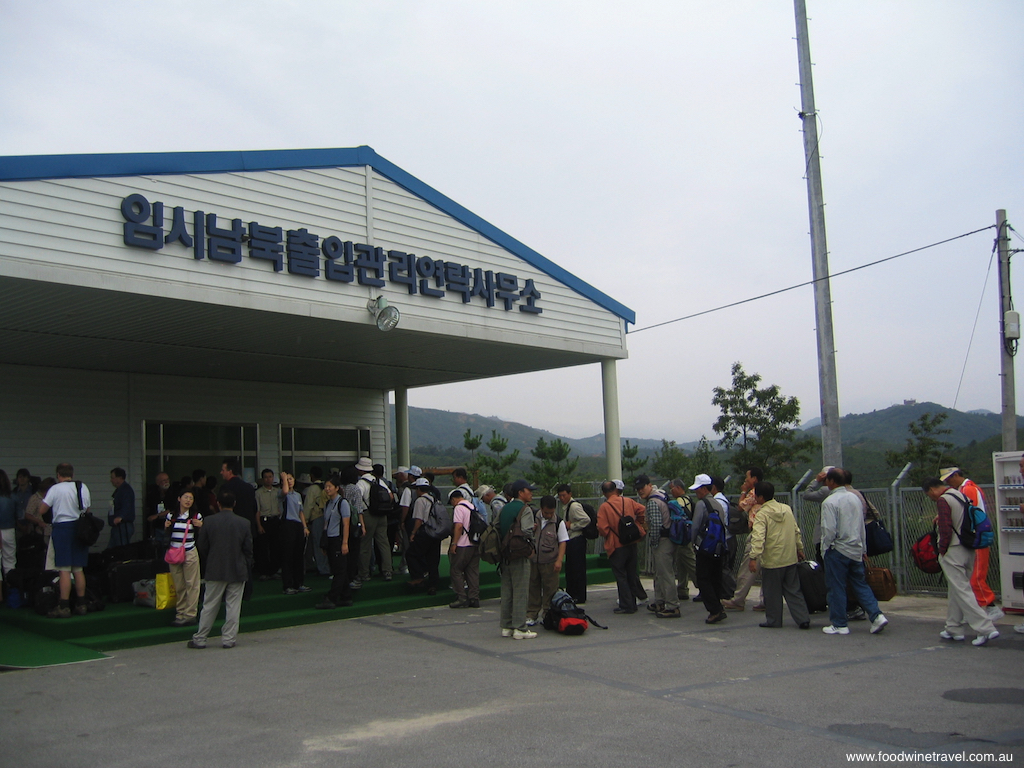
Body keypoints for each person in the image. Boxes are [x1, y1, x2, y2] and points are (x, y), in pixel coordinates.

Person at [923, 476, 999, 646]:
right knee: (956, 590)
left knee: (963, 591)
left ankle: (985, 628)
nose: (932, 497)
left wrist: (942, 550)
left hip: (953, 550)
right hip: (969, 547)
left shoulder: (943, 500)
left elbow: (945, 528)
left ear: (932, 490)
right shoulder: (961, 495)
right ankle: (953, 627)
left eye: (930, 495)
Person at [819, 468, 887, 636]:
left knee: (836, 587)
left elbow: (828, 529)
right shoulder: (856, 498)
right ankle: (876, 615)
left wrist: (825, 548)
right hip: (856, 548)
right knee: (860, 584)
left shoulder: (830, 502)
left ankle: (839, 623)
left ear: (832, 482)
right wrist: (863, 548)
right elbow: (861, 525)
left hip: (838, 549)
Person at [188, 491, 253, 649]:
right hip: (237, 568)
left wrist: (211, 558)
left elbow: (202, 545)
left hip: (215, 567)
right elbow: (248, 549)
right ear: (234, 504)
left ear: (218, 503)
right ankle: (229, 639)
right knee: (233, 605)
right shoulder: (244, 523)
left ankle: (201, 638)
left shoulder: (209, 521)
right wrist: (246, 564)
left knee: (209, 604)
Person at [940, 467, 1002, 622]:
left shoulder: (968, 489)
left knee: (975, 577)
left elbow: (966, 512)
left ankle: (990, 606)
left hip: (974, 537)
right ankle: (974, 610)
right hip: (973, 537)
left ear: (956, 476)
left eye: (949, 479)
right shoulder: (967, 488)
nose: (948, 483)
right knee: (969, 578)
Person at [747, 481, 810, 629]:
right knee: (794, 590)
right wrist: (799, 548)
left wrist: (753, 557)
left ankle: (774, 620)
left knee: (772, 592)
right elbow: (796, 531)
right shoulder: (786, 509)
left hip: (772, 560)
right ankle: (803, 618)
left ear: (761, 497)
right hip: (789, 558)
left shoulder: (762, 514)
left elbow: (758, 537)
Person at [38, 463, 92, 618]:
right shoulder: (82, 487)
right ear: (72, 474)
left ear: (58, 475)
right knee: (78, 568)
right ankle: (81, 604)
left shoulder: (55, 489)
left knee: (64, 569)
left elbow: (42, 510)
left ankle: (64, 605)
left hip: (62, 528)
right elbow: (87, 509)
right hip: (80, 528)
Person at [596, 479, 647, 615]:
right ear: (615, 490)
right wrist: (638, 523)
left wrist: (608, 533)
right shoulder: (628, 501)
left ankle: (626, 604)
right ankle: (633, 601)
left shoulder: (605, 507)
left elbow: (602, 528)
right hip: (631, 542)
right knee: (631, 573)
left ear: (604, 493)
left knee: (620, 575)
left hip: (616, 545)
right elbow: (642, 510)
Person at [499, 479, 538, 638]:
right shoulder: (525, 509)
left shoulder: (505, 508)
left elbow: (496, 527)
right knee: (521, 591)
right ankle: (520, 628)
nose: (531, 493)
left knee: (507, 590)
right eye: (528, 490)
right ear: (520, 492)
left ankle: (506, 626)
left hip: (505, 553)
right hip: (519, 553)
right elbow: (527, 532)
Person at [635, 474, 679, 618]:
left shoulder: (653, 502)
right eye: (638, 489)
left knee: (665, 575)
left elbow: (655, 526)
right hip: (669, 539)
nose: (640, 491)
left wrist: (653, 543)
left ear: (649, 485)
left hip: (662, 541)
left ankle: (672, 606)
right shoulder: (661, 494)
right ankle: (660, 601)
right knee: (660, 574)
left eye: (642, 487)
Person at [723, 467, 765, 611]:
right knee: (766, 568)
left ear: (754, 479)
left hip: (756, 533)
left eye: (748, 477)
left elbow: (741, 507)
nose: (746, 480)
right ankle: (765, 600)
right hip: (767, 534)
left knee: (747, 568)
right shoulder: (763, 492)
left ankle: (738, 600)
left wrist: (742, 492)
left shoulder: (754, 493)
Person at [690, 473, 728, 624]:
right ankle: (719, 606)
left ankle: (714, 610)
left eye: (697, 489)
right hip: (718, 547)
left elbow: (695, 526)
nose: (696, 492)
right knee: (715, 578)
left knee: (703, 578)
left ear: (703, 489)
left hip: (705, 547)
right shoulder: (718, 504)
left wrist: (693, 543)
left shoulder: (701, 504)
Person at [164, 486, 204, 627]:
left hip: (190, 551)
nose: (188, 500)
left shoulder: (196, 516)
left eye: (191, 498)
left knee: (192, 584)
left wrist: (201, 526)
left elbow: (203, 534)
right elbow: (168, 534)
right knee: (179, 585)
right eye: (186, 497)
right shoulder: (171, 515)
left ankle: (190, 614)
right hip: (174, 553)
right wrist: (166, 526)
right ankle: (180, 613)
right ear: (179, 499)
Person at [526, 494, 568, 625]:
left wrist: (559, 560)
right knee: (533, 588)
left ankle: (548, 614)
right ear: (541, 509)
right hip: (533, 560)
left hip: (550, 561)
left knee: (550, 589)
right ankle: (532, 614)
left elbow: (563, 541)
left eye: (551, 512)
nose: (548, 515)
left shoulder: (558, 522)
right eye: (546, 512)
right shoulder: (532, 518)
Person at [315, 474, 354, 610]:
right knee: (336, 567)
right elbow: (326, 524)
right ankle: (346, 596)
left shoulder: (342, 503)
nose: (327, 489)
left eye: (330, 487)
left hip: (338, 539)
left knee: (339, 570)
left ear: (337, 488)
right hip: (330, 539)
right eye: (326, 487)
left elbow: (346, 524)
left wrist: (344, 542)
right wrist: (323, 542)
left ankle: (332, 597)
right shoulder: (328, 503)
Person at [356, 456, 394, 584]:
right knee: (384, 543)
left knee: (365, 545)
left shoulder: (361, 483)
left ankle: (364, 573)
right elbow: (390, 496)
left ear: (361, 470)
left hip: (368, 514)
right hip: (382, 515)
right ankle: (387, 571)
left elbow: (357, 500)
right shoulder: (379, 481)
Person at [406, 478, 442, 595]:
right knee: (433, 560)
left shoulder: (420, 501)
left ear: (419, 489)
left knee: (411, 554)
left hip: (424, 532)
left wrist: (413, 533)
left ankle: (418, 577)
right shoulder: (434, 499)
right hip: (435, 533)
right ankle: (433, 585)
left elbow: (419, 519)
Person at [556, 483, 590, 604]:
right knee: (571, 569)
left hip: (577, 539)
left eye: (564, 495)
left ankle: (579, 595)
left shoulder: (574, 506)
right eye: (560, 496)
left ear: (569, 494)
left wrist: (573, 526)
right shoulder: (566, 506)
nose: (561, 498)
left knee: (577, 569)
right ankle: (572, 593)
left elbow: (586, 519)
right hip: (571, 540)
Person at [278, 471, 310, 594]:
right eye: (287, 479)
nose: (289, 481)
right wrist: (284, 478)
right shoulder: (281, 493)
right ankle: (288, 585)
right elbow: (285, 491)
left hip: (297, 525)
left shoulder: (297, 495)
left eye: (291, 478)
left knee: (298, 555)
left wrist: (305, 527)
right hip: (287, 524)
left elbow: (300, 511)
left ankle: (299, 583)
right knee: (288, 555)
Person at [448, 488, 480, 609]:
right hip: (474, 543)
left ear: (454, 499)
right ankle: (474, 598)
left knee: (456, 570)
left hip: (463, 544)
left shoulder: (459, 508)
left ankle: (461, 597)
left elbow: (459, 526)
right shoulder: (472, 507)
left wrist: (454, 543)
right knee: (472, 572)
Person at [667, 478, 696, 601]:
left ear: (678, 488)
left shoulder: (680, 501)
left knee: (690, 563)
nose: (671, 491)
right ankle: (682, 588)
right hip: (687, 536)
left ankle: (704, 586)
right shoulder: (689, 499)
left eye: (672, 488)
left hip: (682, 537)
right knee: (681, 563)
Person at [254, 468, 283, 578]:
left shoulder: (277, 492)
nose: (268, 479)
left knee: (275, 547)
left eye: (270, 477)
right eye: (266, 477)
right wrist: (259, 525)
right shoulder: (258, 493)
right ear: (263, 479)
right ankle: (264, 572)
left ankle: (274, 570)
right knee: (263, 548)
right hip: (264, 521)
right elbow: (257, 510)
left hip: (275, 520)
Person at [302, 467, 330, 576]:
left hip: (317, 517)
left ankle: (322, 568)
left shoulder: (312, 489)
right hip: (328, 517)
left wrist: (305, 520)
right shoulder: (325, 486)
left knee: (318, 543)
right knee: (326, 543)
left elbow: (308, 505)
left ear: (311, 476)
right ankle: (327, 566)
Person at [106, 466, 136, 549]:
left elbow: (127, 505)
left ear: (119, 478)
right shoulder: (118, 491)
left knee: (121, 550)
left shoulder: (126, 490)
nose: (111, 480)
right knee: (112, 549)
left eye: (113, 478)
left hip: (123, 525)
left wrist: (120, 517)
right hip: (117, 527)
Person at [0, 469, 16, 580]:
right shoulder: (13, 497)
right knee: (9, 562)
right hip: (9, 530)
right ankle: (12, 591)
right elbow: (19, 515)